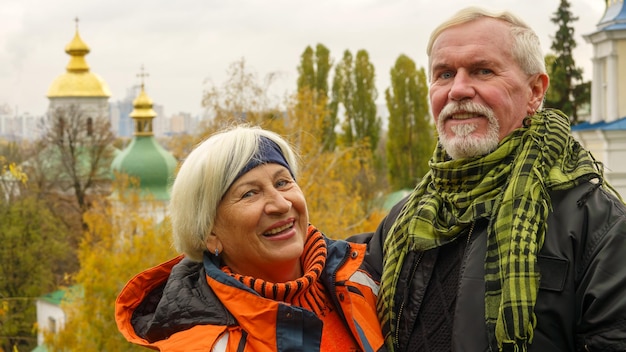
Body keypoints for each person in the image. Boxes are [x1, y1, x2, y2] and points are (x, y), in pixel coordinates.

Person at [351, 6, 626, 352]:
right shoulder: (405, 219)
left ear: (535, 91)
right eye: (445, 74)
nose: (459, 90)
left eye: (483, 71)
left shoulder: (596, 224)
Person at [115, 125, 386, 351]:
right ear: (209, 233)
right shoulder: (209, 345)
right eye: (249, 193)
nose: (280, 204)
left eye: (283, 182)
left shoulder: (367, 273)